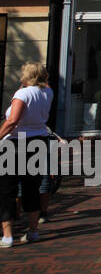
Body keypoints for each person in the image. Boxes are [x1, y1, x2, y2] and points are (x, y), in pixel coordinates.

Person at [0, 63, 55, 246]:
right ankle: (33, 232)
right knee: (32, 187)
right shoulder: (48, 93)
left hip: (16, 143)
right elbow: (40, 90)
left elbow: (12, 121)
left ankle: (7, 236)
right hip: (38, 141)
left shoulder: (22, 94)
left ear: (26, 75)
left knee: (7, 189)